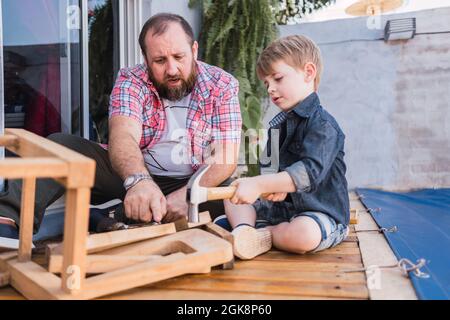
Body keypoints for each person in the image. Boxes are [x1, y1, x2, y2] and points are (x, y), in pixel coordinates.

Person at [0, 13, 242, 239]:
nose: (171, 69)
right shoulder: (131, 80)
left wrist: (188, 196)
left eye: (179, 57)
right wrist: (139, 182)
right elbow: (123, 136)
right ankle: (6, 222)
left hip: (192, 180)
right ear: (145, 59)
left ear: (194, 50)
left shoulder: (221, 84)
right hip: (134, 174)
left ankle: (111, 216)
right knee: (60, 146)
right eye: (159, 60)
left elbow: (225, 156)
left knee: (235, 193)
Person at [224, 35, 350, 260]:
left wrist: (262, 183)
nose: (270, 89)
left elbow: (308, 173)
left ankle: (262, 235)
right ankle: (244, 229)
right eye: (266, 83)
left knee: (304, 235)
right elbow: (268, 170)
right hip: (278, 213)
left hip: (317, 213)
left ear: (308, 73)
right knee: (233, 193)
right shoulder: (276, 127)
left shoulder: (324, 125)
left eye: (278, 78)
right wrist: (269, 185)